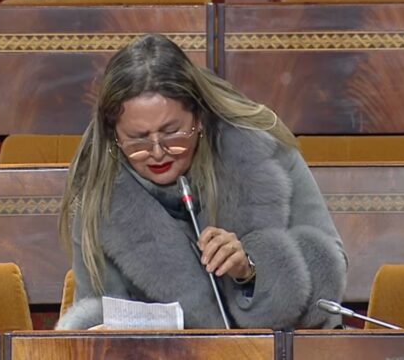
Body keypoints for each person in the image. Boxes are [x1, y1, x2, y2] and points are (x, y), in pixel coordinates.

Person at [56, 34, 347, 330]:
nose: (158, 152)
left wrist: (250, 270)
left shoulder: (261, 150)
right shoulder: (100, 196)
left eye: (172, 132)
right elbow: (97, 320)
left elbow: (326, 280)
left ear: (198, 118)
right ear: (114, 137)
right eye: (137, 139)